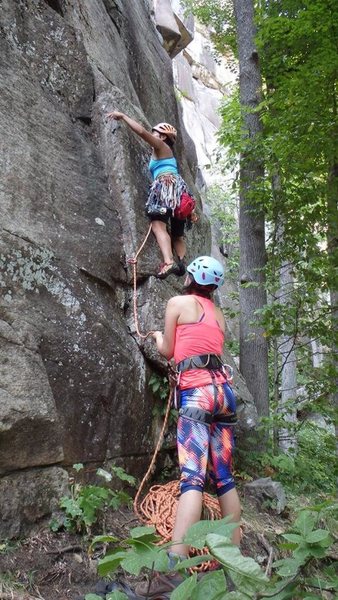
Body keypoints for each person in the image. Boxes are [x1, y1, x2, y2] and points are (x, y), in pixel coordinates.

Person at [135, 255, 241, 598]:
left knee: (193, 477)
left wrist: (153, 336)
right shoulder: (219, 315)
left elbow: (169, 351)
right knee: (223, 477)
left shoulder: (178, 302)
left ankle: (172, 569)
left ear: (190, 277)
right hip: (224, 392)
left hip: (196, 394)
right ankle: (233, 561)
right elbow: (203, 346)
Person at [106, 111, 197, 279]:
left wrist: (124, 117)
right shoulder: (168, 156)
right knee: (177, 235)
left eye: (156, 133)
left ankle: (169, 262)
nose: (153, 135)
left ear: (163, 137)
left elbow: (142, 132)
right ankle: (183, 265)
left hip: (165, 189)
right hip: (178, 193)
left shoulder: (161, 146)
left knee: (158, 226)